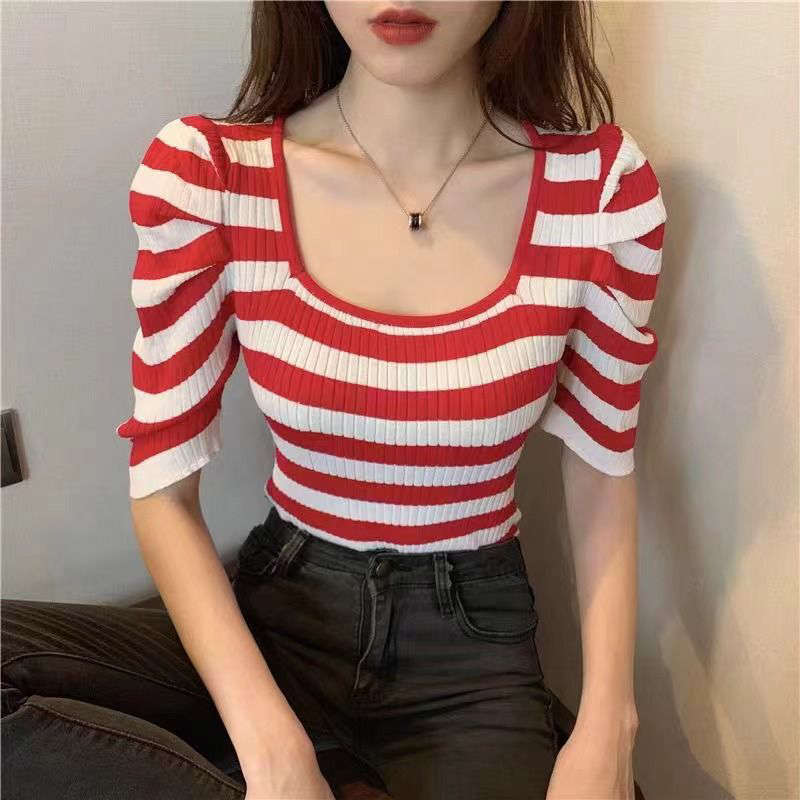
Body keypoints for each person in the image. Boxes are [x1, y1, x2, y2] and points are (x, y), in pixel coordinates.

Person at [1, 2, 668, 799]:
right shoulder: (213, 178)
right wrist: (273, 751)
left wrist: (610, 724)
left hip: (468, 652)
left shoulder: (599, 194)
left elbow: (600, 471)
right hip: (284, 612)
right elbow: (163, 489)